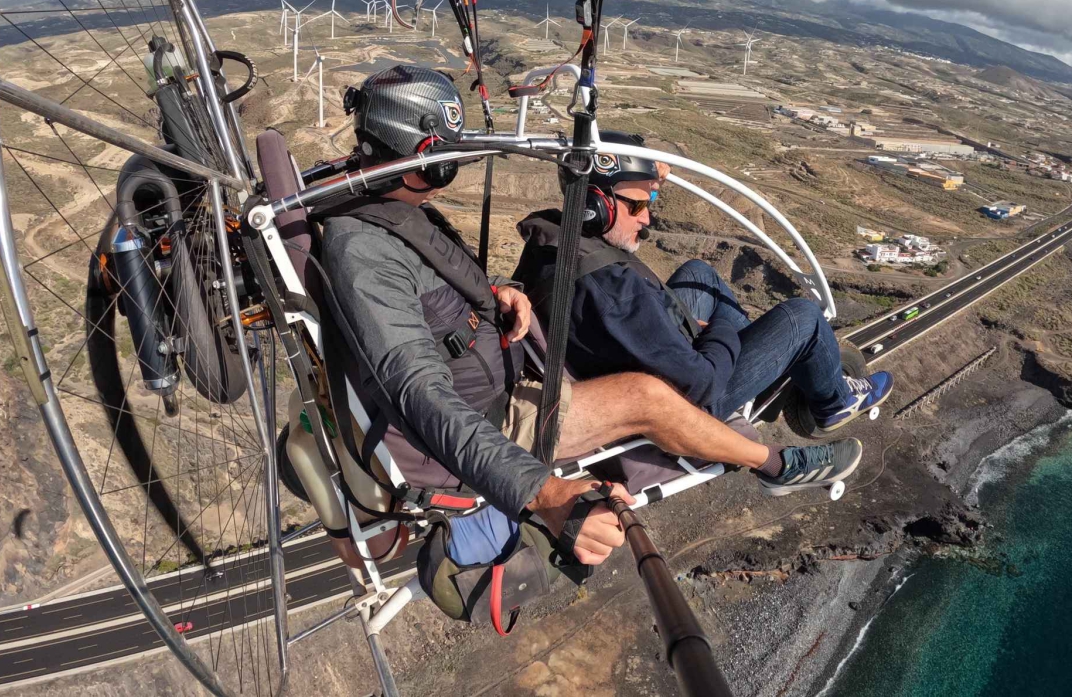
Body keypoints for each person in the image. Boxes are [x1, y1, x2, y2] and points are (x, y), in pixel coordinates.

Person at [318, 67, 866, 576]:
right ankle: (774, 465)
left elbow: (421, 303)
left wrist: (492, 294)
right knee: (652, 390)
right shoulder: (364, 252)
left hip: (513, 364)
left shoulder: (386, 207)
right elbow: (422, 394)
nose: (452, 165)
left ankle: (775, 375)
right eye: (447, 153)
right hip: (495, 412)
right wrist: (544, 492)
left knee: (698, 278)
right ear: (427, 156)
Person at [514, 131, 894, 440]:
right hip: (685, 407)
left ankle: (769, 365)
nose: (647, 219)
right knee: (804, 317)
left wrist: (648, 184)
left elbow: (635, 314)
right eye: (637, 207)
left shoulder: (555, 241)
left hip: (633, 353)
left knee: (700, 273)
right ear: (598, 206)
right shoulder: (616, 293)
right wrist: (720, 333)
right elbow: (704, 382)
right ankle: (833, 403)